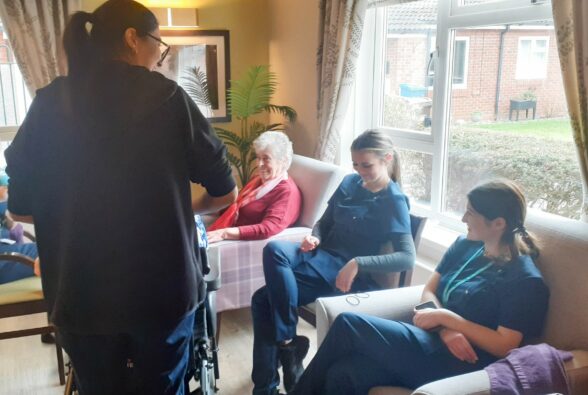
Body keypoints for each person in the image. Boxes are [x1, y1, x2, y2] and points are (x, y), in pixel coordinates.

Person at [4, 1, 237, 394]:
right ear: (132, 39)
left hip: (81, 294)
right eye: (158, 46)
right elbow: (225, 191)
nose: (158, 57)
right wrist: (184, 209)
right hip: (161, 293)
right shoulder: (169, 98)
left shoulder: (49, 103)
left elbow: (21, 206)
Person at [290, 180, 550, 395]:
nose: (463, 218)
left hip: (462, 362)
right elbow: (428, 291)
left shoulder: (525, 279)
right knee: (344, 374)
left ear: (499, 223)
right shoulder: (465, 245)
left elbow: (505, 345)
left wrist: (449, 319)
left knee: (349, 324)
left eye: (471, 212)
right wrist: (444, 327)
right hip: (432, 338)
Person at [251, 130, 416, 395]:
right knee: (274, 249)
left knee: (262, 300)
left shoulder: (393, 200)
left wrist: (358, 263)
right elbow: (323, 222)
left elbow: (407, 257)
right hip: (319, 256)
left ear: (386, 159)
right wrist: (314, 237)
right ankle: (288, 343)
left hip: (341, 273)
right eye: (355, 164)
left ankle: (265, 386)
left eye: (366, 165)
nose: (359, 170)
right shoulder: (349, 182)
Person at [206, 131, 302, 243]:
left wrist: (224, 233)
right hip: (227, 224)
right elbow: (235, 205)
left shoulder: (286, 193)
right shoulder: (258, 179)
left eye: (266, 158)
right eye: (258, 158)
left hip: (236, 240)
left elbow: (267, 229)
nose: (259, 164)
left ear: (283, 161)